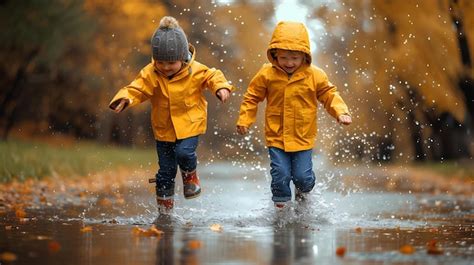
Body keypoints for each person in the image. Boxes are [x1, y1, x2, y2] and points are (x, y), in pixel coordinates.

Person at [109, 16, 234, 212]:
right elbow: (138, 88)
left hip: (190, 124)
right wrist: (125, 98)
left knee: (184, 153)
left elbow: (213, 76)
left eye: (171, 63)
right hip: (164, 129)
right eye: (161, 62)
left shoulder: (195, 70)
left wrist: (221, 88)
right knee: (165, 172)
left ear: (183, 57)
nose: (165, 67)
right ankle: (165, 212)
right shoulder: (151, 73)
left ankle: (190, 175)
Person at [236, 21, 352, 208]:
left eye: (294, 58)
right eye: (284, 58)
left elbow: (329, 95)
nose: (289, 63)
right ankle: (280, 212)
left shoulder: (315, 75)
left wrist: (341, 112)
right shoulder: (267, 74)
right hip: (276, 136)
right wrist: (245, 119)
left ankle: (303, 190)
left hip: (303, 136)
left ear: (304, 56)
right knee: (280, 174)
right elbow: (251, 97)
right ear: (274, 55)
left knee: (303, 178)